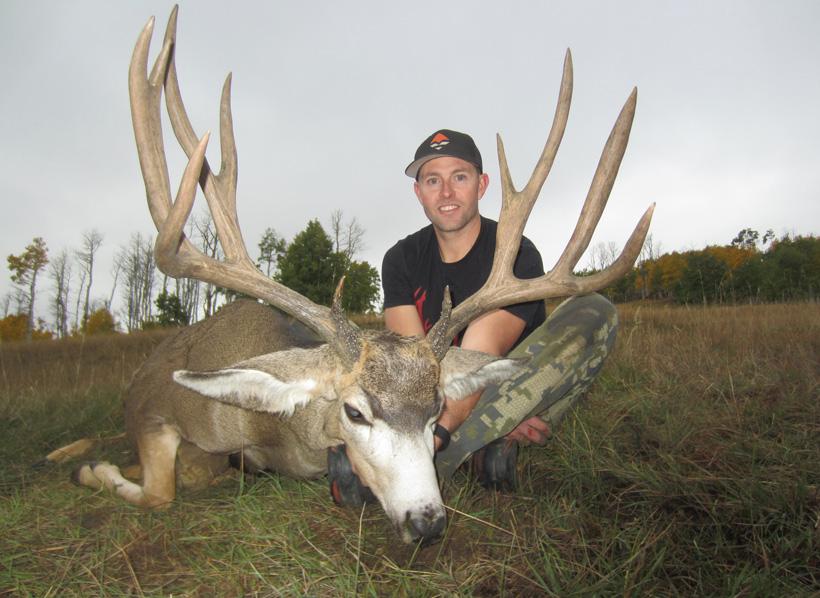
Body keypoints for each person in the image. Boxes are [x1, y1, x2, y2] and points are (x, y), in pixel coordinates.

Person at [329, 129, 619, 501]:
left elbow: (479, 359)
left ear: (481, 185)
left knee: (595, 310)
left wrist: (433, 438)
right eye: (433, 180)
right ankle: (487, 445)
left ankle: (418, 463)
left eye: (459, 177)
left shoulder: (516, 253)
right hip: (433, 395)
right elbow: (411, 367)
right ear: (419, 193)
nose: (446, 193)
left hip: (508, 379)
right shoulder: (400, 260)